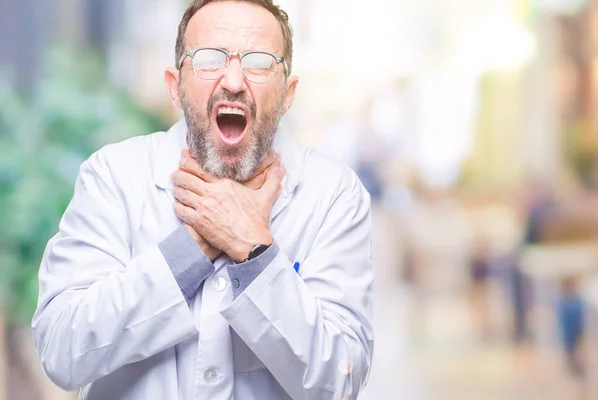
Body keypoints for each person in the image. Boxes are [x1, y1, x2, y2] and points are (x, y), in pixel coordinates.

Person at [31, 1, 374, 399]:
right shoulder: (114, 176)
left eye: (259, 62)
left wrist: (254, 250)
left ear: (287, 93)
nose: (232, 81)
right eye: (208, 59)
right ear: (175, 86)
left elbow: (340, 379)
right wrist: (196, 245)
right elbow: (61, 351)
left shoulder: (334, 194)